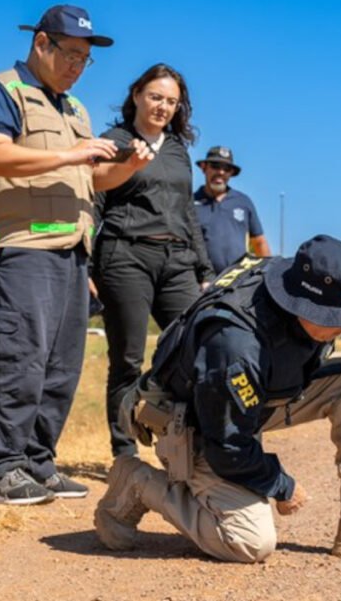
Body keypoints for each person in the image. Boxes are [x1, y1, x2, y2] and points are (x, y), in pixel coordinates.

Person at [94, 235, 341, 562]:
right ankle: (140, 481)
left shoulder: (323, 286)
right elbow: (229, 446)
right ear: (301, 304)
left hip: (259, 397)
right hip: (194, 421)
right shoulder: (234, 341)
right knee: (249, 543)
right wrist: (280, 484)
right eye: (338, 321)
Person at [0, 4, 153, 505]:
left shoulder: (75, 110)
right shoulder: (1, 91)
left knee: (60, 366)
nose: (77, 66)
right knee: (19, 358)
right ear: (41, 43)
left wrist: (128, 166)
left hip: (72, 250)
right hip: (20, 247)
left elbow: (93, 180)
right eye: (70, 54)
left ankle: (37, 462)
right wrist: (72, 153)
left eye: (85, 60)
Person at [92, 63, 216, 459]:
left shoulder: (179, 150)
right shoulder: (113, 141)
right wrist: (85, 265)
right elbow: (93, 201)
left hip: (177, 258)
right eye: (156, 97)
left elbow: (188, 214)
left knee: (195, 348)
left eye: (172, 101)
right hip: (125, 255)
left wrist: (205, 270)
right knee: (127, 359)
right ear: (137, 96)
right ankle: (124, 452)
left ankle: (187, 442)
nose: (163, 106)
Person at [193, 146, 270, 274]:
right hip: (201, 282)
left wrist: (266, 273)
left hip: (236, 283)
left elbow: (259, 242)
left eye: (226, 168)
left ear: (231, 173)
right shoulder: (190, 203)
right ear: (203, 167)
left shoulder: (243, 201)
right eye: (215, 166)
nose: (221, 172)